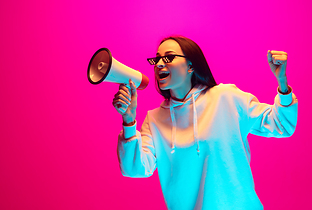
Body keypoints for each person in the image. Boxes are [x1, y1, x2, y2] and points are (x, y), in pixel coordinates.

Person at [114, 36, 298, 210]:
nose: (160, 64)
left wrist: (282, 83)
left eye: (168, 57)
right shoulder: (155, 119)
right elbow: (135, 168)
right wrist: (129, 121)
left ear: (190, 66)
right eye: (157, 59)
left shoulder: (226, 97)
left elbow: (282, 124)